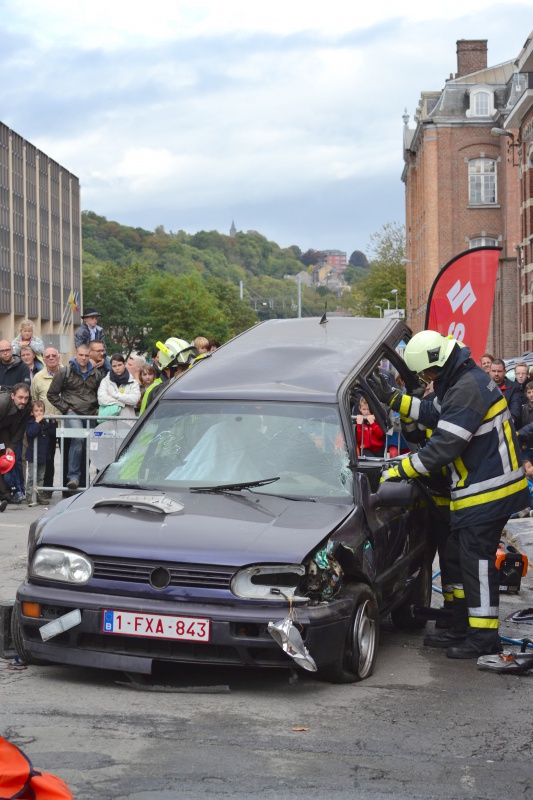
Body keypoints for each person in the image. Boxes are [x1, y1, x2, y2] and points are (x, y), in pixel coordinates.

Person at [369, 330, 529, 659]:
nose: (426, 379)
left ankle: (482, 640)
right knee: (457, 557)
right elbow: (432, 413)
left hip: (488, 492)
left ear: (437, 366)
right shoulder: (461, 380)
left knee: (477, 563)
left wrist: (399, 469)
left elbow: (444, 447)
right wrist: (394, 399)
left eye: (426, 373)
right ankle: (460, 627)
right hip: (480, 489)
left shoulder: (468, 387)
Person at [47, 344, 105, 492]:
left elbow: (101, 393)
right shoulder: (65, 372)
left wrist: (99, 407)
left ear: (90, 355)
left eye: (86, 355)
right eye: (81, 355)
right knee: (78, 438)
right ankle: (73, 477)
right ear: (75, 354)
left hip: (91, 413)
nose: (84, 358)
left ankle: (85, 479)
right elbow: (52, 394)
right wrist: (66, 408)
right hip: (73, 412)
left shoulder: (97, 374)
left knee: (91, 444)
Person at [31, 348, 62, 498]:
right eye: (47, 356)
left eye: (53, 355)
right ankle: (47, 490)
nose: (51, 358)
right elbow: (34, 399)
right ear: (43, 359)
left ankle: (69, 490)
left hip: (66, 424)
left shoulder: (67, 373)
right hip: (47, 425)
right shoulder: (38, 377)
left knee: (69, 456)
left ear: (59, 357)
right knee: (48, 458)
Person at [0, 383, 31, 511]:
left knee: (4, 461)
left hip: (5, 430)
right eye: (20, 397)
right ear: (13, 396)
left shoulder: (27, 406)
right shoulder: (2, 403)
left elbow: (20, 429)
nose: (23, 401)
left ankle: (5, 495)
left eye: (26, 398)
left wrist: (11, 446)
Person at [25, 400, 55, 505]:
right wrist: (37, 422)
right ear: (32, 413)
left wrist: (52, 422)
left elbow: (52, 433)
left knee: (41, 476)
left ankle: (39, 494)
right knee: (32, 476)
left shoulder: (45, 423)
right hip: (33, 454)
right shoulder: (31, 422)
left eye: (41, 410)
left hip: (44, 454)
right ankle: (29, 494)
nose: (39, 413)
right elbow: (31, 433)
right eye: (36, 411)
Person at [489, 358, 522, 426]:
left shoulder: (514, 387)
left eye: (499, 371)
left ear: (505, 372)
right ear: (489, 371)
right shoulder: (484, 386)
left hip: (507, 424)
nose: (496, 374)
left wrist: (512, 418)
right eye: (493, 371)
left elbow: (516, 405)